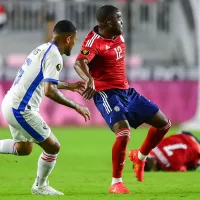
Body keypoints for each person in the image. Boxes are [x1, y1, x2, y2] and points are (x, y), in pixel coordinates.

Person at [74, 5, 171, 194]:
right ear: (108, 22)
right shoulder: (94, 42)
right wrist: (90, 80)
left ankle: (140, 157)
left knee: (164, 124)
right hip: (106, 93)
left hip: (127, 92)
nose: (122, 21)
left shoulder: (116, 34)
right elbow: (79, 63)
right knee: (123, 133)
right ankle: (116, 183)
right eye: (119, 18)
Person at [1, 20, 90, 196]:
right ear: (68, 38)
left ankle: (40, 186)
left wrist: (69, 86)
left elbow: (43, 81)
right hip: (21, 108)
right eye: (75, 40)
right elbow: (50, 91)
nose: (74, 44)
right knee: (53, 147)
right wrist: (76, 106)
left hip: (10, 103)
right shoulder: (55, 55)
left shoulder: (42, 49)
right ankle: (40, 187)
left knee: (23, 149)